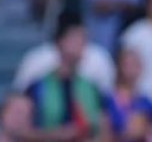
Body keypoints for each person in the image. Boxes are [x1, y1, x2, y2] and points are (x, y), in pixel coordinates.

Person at [25, 11, 106, 139]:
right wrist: (58, 134)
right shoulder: (37, 88)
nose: (81, 44)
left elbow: (101, 128)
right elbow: (23, 130)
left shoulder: (91, 88)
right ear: (59, 42)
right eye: (75, 38)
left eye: (83, 39)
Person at [102, 48, 152, 142]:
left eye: (135, 65)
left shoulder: (148, 103)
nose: (131, 69)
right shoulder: (107, 99)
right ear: (119, 66)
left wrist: (145, 129)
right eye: (127, 65)